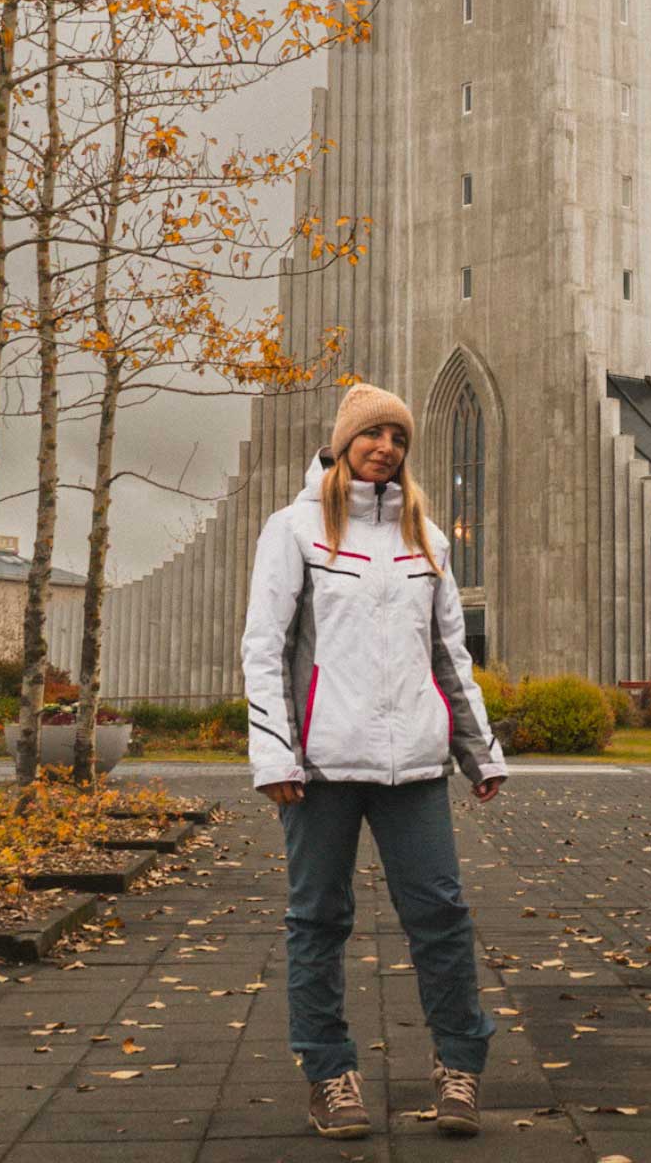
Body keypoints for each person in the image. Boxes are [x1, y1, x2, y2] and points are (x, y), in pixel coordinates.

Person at [242, 382, 507, 1141]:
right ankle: (329, 1075)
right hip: (321, 768)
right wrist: (274, 755)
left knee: (443, 917)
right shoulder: (294, 530)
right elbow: (264, 649)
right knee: (318, 921)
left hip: (415, 768)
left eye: (398, 438)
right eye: (373, 435)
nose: (386, 448)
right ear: (343, 441)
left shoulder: (429, 539)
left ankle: (460, 1067)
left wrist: (478, 752)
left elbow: (448, 654)